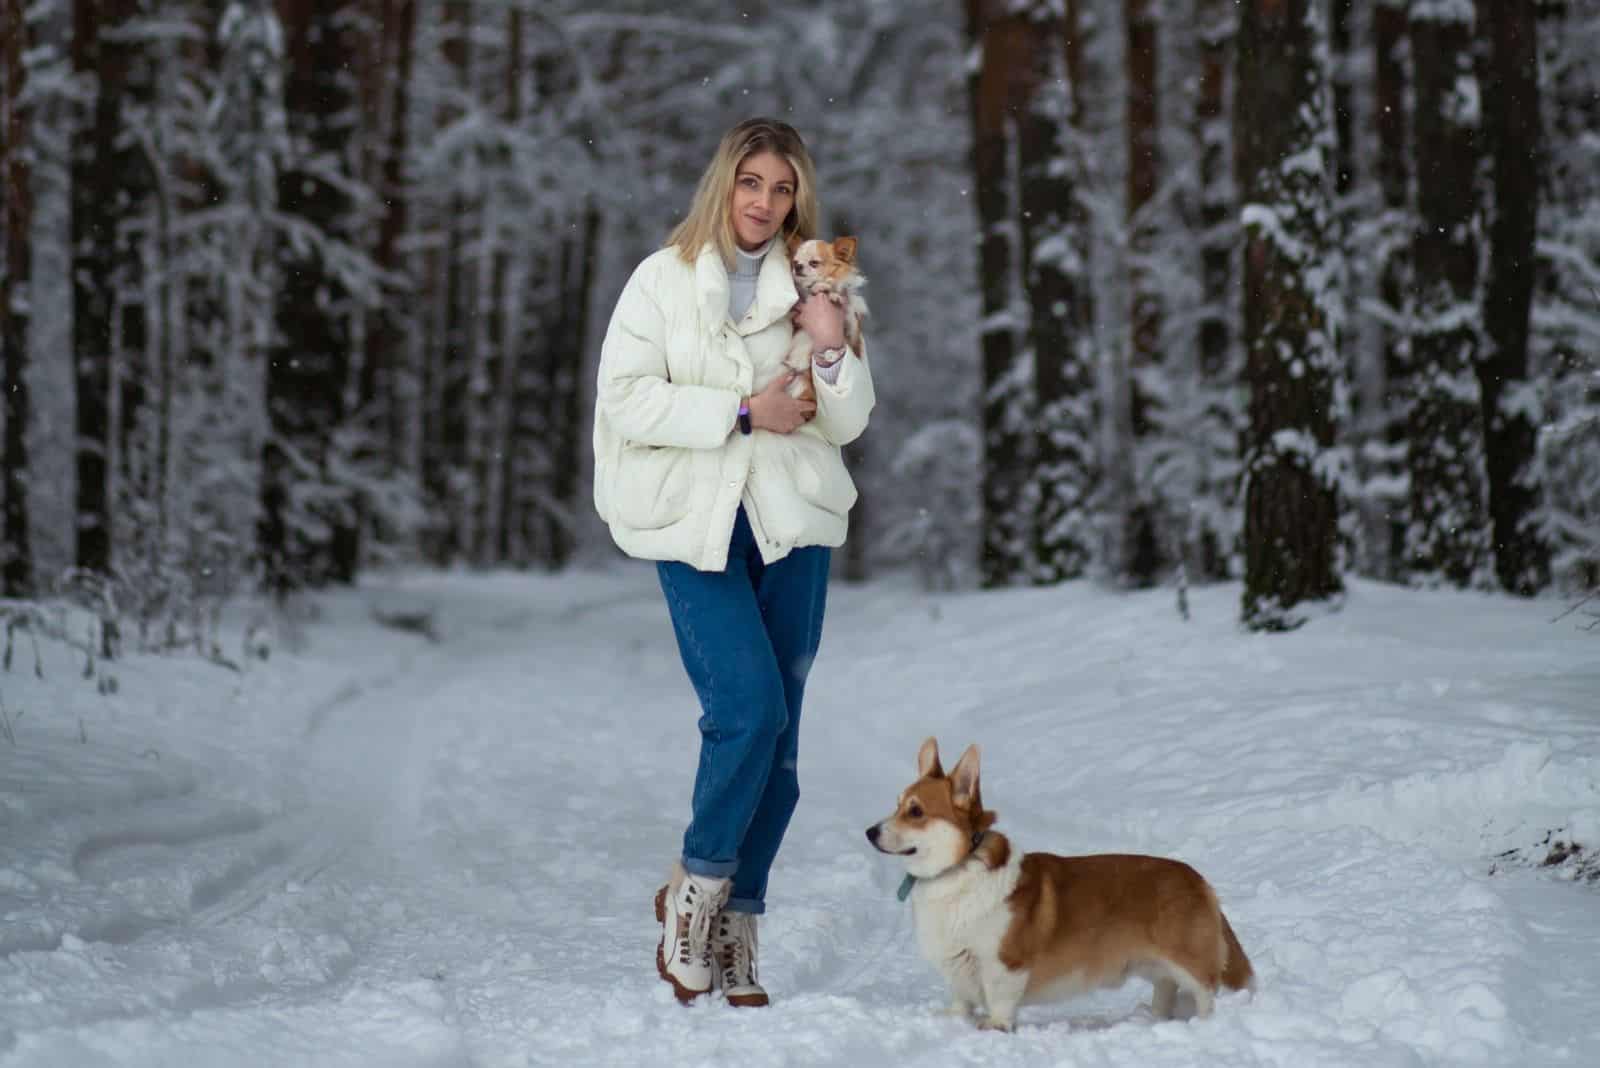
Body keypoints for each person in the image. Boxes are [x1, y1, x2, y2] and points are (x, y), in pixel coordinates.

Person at [591, 117, 875, 1007]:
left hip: (792, 526)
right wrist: (744, 411)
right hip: (698, 525)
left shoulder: (820, 279)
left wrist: (830, 339)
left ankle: (739, 925)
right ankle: (695, 892)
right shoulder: (662, 280)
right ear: (726, 184)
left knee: (782, 746)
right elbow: (628, 399)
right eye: (751, 182)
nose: (765, 202)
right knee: (746, 711)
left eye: (782, 188)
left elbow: (852, 417)